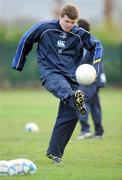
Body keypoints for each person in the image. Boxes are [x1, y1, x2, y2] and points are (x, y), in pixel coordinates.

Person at [12, 5, 103, 164]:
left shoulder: (78, 34)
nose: (70, 25)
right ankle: (74, 96)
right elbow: (26, 39)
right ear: (60, 17)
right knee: (65, 90)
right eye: (67, 21)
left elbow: (97, 46)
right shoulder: (44, 28)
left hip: (71, 76)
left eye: (73, 22)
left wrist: (94, 69)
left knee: (73, 113)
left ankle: (55, 153)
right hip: (50, 72)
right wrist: (19, 63)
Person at [76, 18, 106, 140]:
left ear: (81, 29)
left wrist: (98, 78)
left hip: (90, 80)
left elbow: (98, 62)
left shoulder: (89, 43)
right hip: (95, 80)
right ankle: (99, 132)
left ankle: (85, 130)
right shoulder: (91, 42)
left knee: (81, 102)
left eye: (76, 27)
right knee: (94, 105)